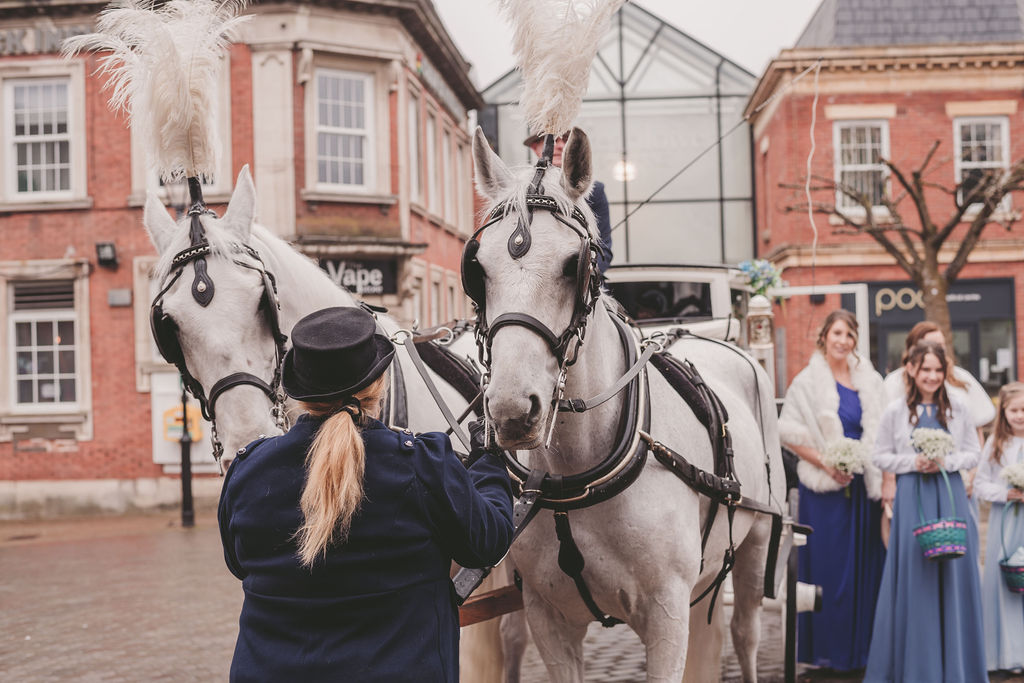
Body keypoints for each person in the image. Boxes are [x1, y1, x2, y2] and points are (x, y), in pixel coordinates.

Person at [218, 306, 514, 682]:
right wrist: (487, 460)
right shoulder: (423, 464)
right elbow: (487, 542)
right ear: (380, 384)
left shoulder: (248, 470)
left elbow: (238, 563)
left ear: (299, 392)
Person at [864, 340, 986, 683]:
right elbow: (880, 455)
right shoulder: (896, 411)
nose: (932, 376)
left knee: (953, 574)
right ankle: (918, 668)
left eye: (938, 370)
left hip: (949, 496)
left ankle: (958, 667)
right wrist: (912, 462)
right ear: (912, 371)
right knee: (915, 575)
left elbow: (973, 452)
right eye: (925, 370)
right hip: (911, 495)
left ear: (944, 372)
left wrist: (945, 462)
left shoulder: (960, 407)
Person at [778, 309, 888, 672]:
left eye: (850, 335)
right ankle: (827, 652)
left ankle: (864, 653)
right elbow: (789, 433)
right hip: (824, 492)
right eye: (837, 333)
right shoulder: (806, 382)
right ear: (824, 336)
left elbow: (884, 431)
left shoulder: (871, 381)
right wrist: (829, 464)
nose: (843, 341)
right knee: (828, 569)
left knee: (865, 571)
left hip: (863, 491)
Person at [974, 381, 1024, 674]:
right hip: (1004, 521)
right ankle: (1004, 654)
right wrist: (1006, 493)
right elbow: (980, 484)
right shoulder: (996, 444)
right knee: (1005, 583)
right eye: (1014, 410)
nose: (1020, 415)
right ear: (1003, 411)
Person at [883, 320, 996, 434]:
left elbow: (977, 428)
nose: (939, 350)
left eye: (942, 345)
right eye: (932, 344)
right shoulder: (895, 382)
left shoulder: (961, 377)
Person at [525, 129, 612, 273]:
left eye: (566, 140)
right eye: (552, 140)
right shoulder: (522, 191)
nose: (560, 146)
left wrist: (586, 277)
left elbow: (604, 248)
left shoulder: (596, 191)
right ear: (535, 147)